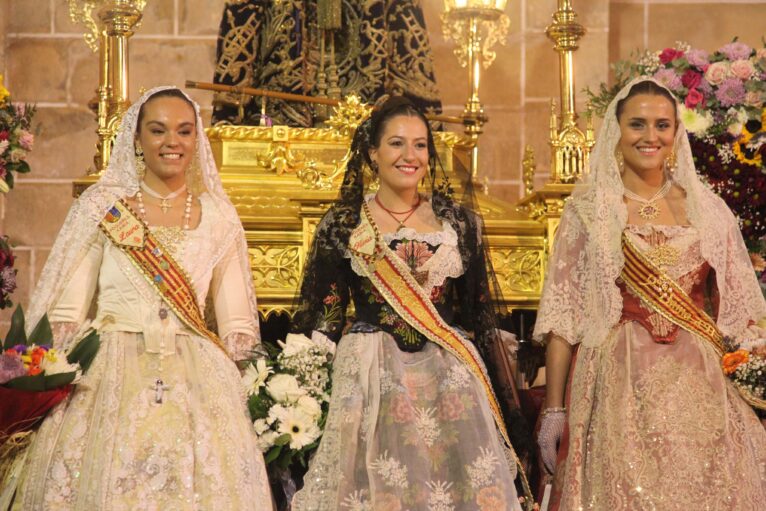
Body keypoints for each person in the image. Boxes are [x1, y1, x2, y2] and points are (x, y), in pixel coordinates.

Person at [8, 87, 273, 509]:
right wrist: (40, 382)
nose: (173, 142)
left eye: (185, 131)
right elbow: (66, 313)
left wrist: (251, 391)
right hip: (108, 370)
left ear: (197, 139)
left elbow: (238, 325)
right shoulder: (103, 208)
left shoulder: (220, 217)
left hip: (199, 377)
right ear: (136, 138)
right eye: (159, 130)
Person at [289, 96, 532, 510]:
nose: (410, 156)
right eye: (397, 144)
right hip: (371, 372)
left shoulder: (459, 224)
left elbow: (480, 317)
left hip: (448, 374)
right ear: (372, 153)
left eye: (420, 145)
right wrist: (303, 396)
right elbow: (326, 317)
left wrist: (509, 407)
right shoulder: (345, 223)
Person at [534, 77, 766, 510]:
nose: (650, 136)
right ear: (615, 130)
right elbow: (563, 318)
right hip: (618, 382)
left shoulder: (708, 209)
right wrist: (553, 411)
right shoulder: (589, 210)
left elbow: (743, 312)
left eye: (662, 125)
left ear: (677, 133)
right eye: (637, 124)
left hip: (701, 385)